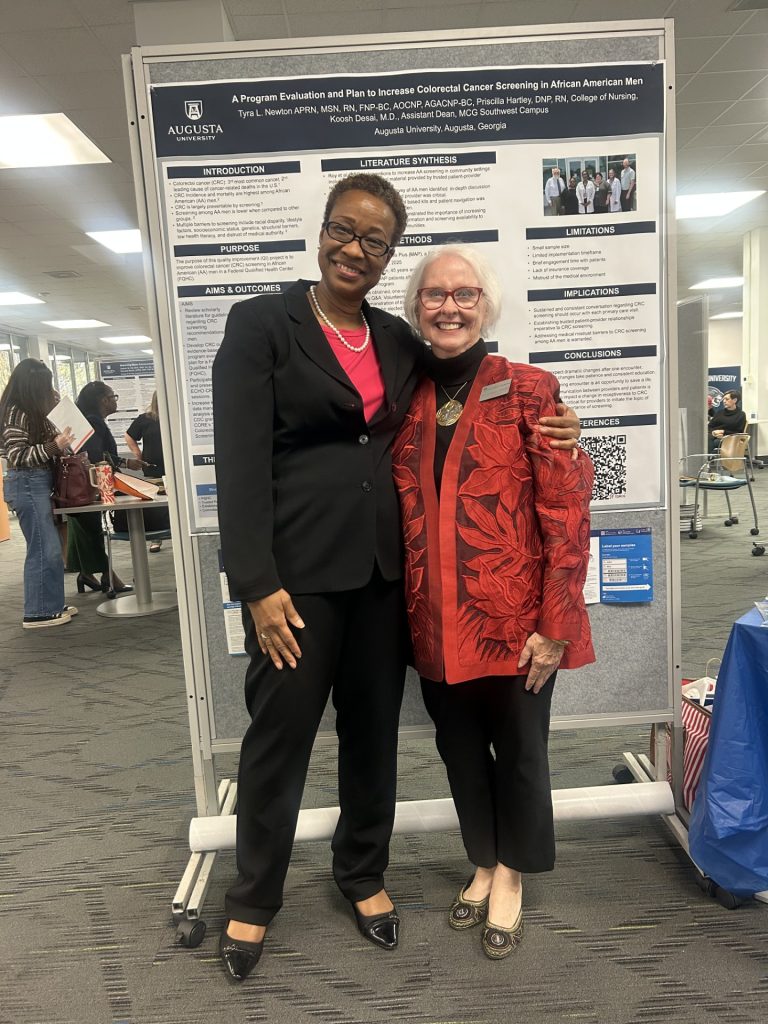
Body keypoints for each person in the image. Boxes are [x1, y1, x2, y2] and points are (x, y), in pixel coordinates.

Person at [212, 172, 582, 982]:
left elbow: (477, 377)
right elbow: (237, 462)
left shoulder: (395, 339)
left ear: (388, 258)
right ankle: (253, 897)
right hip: (294, 582)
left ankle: (363, 876)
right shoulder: (262, 324)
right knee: (279, 740)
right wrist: (254, 581)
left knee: (372, 738)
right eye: (345, 231)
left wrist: (567, 430)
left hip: (385, 577)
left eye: (375, 241)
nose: (355, 249)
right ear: (322, 232)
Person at [394, 246, 595, 961]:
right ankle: (482, 858)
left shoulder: (532, 389)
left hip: (515, 623)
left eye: (466, 293)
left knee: (518, 753)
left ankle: (511, 874)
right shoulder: (401, 395)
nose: (450, 305)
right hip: (432, 621)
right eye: (435, 294)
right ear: (416, 306)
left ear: (487, 305)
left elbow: (566, 508)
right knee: (457, 753)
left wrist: (556, 622)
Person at [0, 358, 77, 628]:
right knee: (44, 549)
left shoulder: (33, 410)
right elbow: (17, 455)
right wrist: (55, 445)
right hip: (27, 482)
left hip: (38, 481)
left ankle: (52, 603)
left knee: (50, 547)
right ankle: (39, 611)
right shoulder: (15, 412)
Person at [67, 381, 140, 594]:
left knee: (87, 529)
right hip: (94, 484)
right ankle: (108, 576)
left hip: (82, 485)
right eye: (113, 396)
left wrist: (126, 463)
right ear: (103, 400)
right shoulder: (94, 422)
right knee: (92, 531)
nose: (115, 400)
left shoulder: (86, 420)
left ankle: (87, 574)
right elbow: (96, 456)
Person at [125, 391, 169, 551]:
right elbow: (129, 436)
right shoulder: (145, 419)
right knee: (155, 503)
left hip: (175, 467)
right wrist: (137, 453)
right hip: (153, 468)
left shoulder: (175, 416)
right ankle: (156, 537)